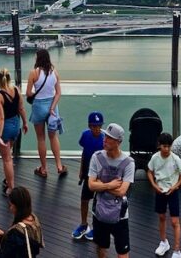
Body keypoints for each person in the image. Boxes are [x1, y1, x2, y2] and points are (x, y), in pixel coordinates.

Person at [88, 123, 135, 258]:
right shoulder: (96, 156)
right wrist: (110, 185)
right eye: (105, 137)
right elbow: (91, 185)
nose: (105, 140)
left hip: (120, 216)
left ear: (118, 142)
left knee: (123, 252)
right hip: (99, 213)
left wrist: (101, 185)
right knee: (101, 248)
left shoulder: (129, 162)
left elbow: (122, 191)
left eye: (109, 138)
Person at [26, 48, 67, 177]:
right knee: (53, 137)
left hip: (38, 106)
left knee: (41, 138)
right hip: (52, 107)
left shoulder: (33, 73)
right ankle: (59, 166)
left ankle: (43, 169)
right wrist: (52, 108)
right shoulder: (54, 72)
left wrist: (36, 93)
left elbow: (28, 93)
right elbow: (58, 93)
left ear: (38, 58)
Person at [148, 132, 181, 258]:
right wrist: (154, 185)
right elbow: (150, 171)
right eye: (164, 146)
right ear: (159, 145)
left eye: (169, 146)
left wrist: (175, 186)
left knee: (175, 221)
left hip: (172, 192)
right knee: (161, 217)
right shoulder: (155, 158)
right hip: (160, 191)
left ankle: (177, 250)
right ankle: (164, 242)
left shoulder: (175, 158)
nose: (166, 149)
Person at [0, 68, 28, 197]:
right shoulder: (16, 90)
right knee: (9, 155)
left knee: (7, 159)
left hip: (6, 127)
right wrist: (25, 123)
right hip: (15, 125)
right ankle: (8, 179)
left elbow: (1, 118)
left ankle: (11, 188)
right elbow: (21, 108)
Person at [0, 186, 44, 257]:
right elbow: (21, 244)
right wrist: (3, 235)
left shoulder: (16, 232)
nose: (10, 208)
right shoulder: (34, 219)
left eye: (11, 205)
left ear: (17, 206)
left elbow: (1, 256)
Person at [73, 111, 106, 241]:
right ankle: (83, 224)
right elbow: (84, 152)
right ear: (89, 126)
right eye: (94, 126)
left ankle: (97, 227)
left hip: (100, 176)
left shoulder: (104, 139)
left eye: (99, 126)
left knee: (98, 202)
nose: (97, 129)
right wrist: (81, 170)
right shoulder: (85, 135)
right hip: (88, 174)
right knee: (84, 200)